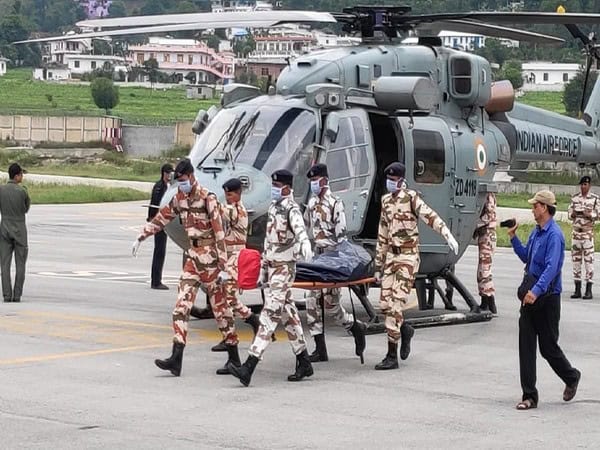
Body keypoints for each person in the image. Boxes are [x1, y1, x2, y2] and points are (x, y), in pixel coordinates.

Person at [132, 158, 235, 376]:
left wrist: (224, 266)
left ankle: (234, 357)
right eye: (178, 181)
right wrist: (142, 235)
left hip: (210, 259)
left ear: (191, 176)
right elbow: (163, 217)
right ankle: (176, 358)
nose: (181, 184)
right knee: (181, 307)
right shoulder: (180, 198)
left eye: (183, 179)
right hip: (193, 258)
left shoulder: (207, 198)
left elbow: (219, 232)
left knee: (220, 309)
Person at [228, 169, 314, 386]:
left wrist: (305, 243)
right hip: (273, 268)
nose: (274, 189)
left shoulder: (292, 209)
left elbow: (300, 230)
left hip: (284, 269)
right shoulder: (274, 208)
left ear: (287, 188)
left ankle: (249, 366)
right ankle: (304, 361)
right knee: (289, 316)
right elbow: (269, 242)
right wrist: (263, 270)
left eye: (277, 186)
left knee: (268, 316)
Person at [373, 162, 459, 370]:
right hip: (391, 258)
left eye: (394, 180)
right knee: (384, 305)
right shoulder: (386, 201)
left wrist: (446, 234)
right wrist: (378, 265)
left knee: (395, 305)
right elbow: (382, 233)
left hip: (408, 258)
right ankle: (405, 330)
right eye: (388, 179)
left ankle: (391, 355)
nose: (390, 183)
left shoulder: (411, 198)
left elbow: (430, 216)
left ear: (401, 181)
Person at [508, 190, 581, 410]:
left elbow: (552, 268)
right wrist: (513, 238)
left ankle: (571, 376)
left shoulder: (554, 235)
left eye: (535, 206)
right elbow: (527, 258)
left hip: (547, 298)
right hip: (529, 297)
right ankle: (529, 395)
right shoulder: (536, 232)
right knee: (526, 346)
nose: (532, 209)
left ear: (545, 208)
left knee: (548, 348)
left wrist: (536, 291)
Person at [303, 163, 366, 362]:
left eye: (315, 180)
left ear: (324, 180)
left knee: (331, 306)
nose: (313, 184)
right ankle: (320, 349)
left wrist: (340, 262)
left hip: (332, 259)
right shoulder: (312, 203)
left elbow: (341, 235)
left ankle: (354, 327)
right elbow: (305, 227)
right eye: (311, 181)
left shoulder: (335, 203)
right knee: (311, 302)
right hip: (317, 258)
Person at [213, 177, 261, 373]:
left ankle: (252, 319)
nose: (228, 197)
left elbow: (221, 211)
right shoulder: (232, 208)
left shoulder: (238, 210)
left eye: (231, 194)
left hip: (235, 258)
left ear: (239, 193)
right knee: (223, 300)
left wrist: (208, 199)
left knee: (230, 299)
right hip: (228, 257)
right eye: (226, 194)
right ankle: (228, 337)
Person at [0, 163, 31, 303]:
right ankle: (17, 294)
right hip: (20, 230)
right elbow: (26, 208)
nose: (22, 177)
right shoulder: (22, 191)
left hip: (4, 228)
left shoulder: (1, 190)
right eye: (21, 174)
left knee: (5, 264)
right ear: (17, 176)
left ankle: (7, 294)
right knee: (20, 264)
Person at [567, 176, 599, 299]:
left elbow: (598, 214)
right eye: (582, 184)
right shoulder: (575, 198)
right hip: (576, 234)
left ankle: (588, 290)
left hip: (587, 234)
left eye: (585, 184)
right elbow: (569, 213)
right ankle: (577, 289)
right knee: (576, 261)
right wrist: (573, 214)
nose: (583, 187)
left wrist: (589, 214)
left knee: (589, 262)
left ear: (589, 185)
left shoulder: (594, 199)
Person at [147, 163, 173, 290]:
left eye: (171, 173)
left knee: (161, 251)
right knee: (159, 250)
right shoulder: (159, 186)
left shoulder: (170, 186)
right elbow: (154, 203)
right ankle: (156, 281)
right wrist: (151, 219)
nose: (169, 175)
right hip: (159, 222)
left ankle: (157, 279)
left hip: (166, 221)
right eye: (167, 173)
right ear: (163, 173)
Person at [474, 192, 497, 313]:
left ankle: (488, 301)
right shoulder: (487, 195)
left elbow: (488, 215)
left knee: (484, 270)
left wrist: (474, 225)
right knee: (482, 270)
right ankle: (487, 301)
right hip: (485, 235)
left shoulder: (489, 196)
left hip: (487, 235)